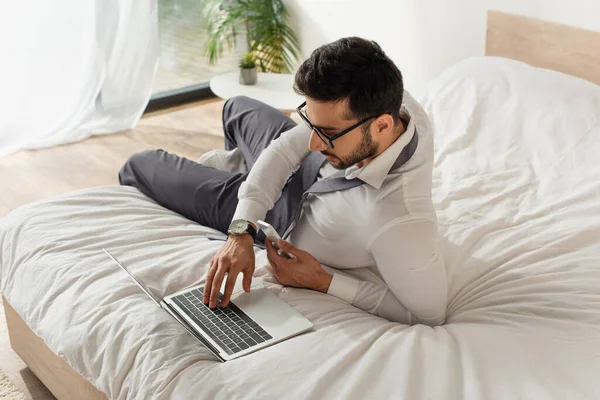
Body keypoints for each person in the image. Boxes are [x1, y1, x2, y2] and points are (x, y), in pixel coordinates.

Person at [119, 37, 447, 326]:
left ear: (382, 126)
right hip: (302, 175)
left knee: (140, 164)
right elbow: (292, 145)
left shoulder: (402, 222)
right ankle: (245, 177)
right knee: (236, 107)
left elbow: (427, 315)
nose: (314, 144)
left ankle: (231, 189)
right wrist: (239, 231)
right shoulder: (391, 100)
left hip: (282, 217)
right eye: (313, 125)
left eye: (328, 134)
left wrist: (324, 281)